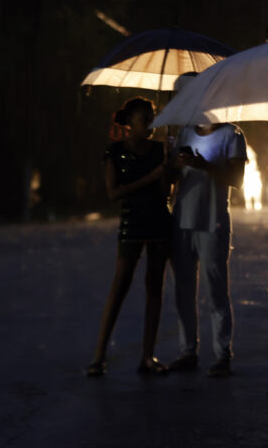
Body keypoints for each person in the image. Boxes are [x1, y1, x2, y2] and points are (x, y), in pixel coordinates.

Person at [87, 97, 171, 377]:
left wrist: (167, 171)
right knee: (120, 285)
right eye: (145, 119)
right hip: (132, 223)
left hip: (159, 221)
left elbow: (165, 192)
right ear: (129, 123)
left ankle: (148, 356)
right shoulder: (114, 153)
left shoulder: (162, 150)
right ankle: (99, 356)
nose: (151, 124)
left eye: (153, 118)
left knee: (154, 288)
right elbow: (113, 193)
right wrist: (153, 175)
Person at [167, 121, 247, 378]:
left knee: (216, 289)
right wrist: (174, 164)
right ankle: (187, 350)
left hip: (213, 221)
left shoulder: (232, 135)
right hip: (181, 221)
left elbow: (236, 179)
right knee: (183, 290)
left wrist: (204, 166)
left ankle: (222, 355)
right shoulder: (183, 132)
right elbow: (171, 177)